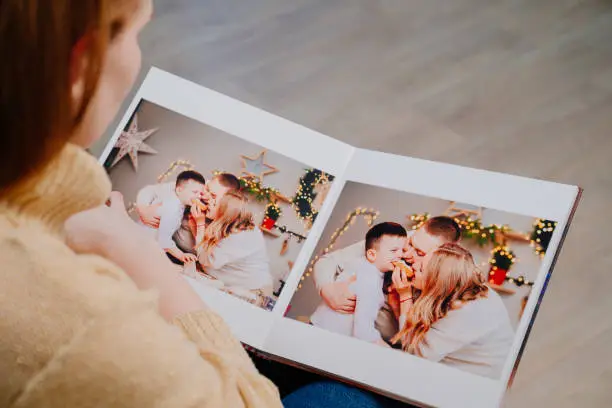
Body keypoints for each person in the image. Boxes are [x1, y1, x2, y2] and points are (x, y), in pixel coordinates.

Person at [0, 1, 282, 406]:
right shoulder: (91, 322)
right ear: (82, 65)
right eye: (136, 33)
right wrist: (134, 249)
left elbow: (207, 257)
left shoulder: (241, 234)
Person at [313, 216, 461, 343]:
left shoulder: (441, 282)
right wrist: (326, 289)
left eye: (420, 253)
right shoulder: (393, 241)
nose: (407, 254)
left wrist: (402, 301)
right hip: (330, 328)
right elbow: (328, 261)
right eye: (410, 244)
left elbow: (412, 342)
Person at [391, 243, 515, 379]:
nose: (414, 266)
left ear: (437, 284)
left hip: (474, 380)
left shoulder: (466, 312)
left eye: (421, 269)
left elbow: (415, 353)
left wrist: (404, 296)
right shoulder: (464, 286)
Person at [310, 222, 407, 346]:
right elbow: (363, 332)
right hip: (327, 338)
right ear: (372, 254)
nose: (401, 255)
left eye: (403, 250)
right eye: (394, 250)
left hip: (317, 324)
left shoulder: (359, 264)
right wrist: (386, 350)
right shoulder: (370, 278)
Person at [192, 191, 273, 305]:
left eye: (215, 203)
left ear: (224, 213)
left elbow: (205, 260)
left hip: (254, 293)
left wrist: (199, 224)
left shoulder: (238, 238)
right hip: (256, 286)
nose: (209, 203)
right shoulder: (240, 228)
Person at [135, 172, 241, 258]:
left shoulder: (223, 220)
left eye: (213, 195)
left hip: (182, 254)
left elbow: (206, 254)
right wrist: (143, 209)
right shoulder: (193, 188)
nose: (204, 195)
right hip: (163, 243)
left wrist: (199, 224)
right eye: (207, 188)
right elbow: (151, 190)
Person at [136, 170, 206, 263]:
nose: (198, 196)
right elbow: (164, 240)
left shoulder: (177, 201)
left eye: (200, 193)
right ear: (179, 190)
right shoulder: (173, 208)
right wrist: (181, 255)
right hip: (144, 245)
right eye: (194, 192)